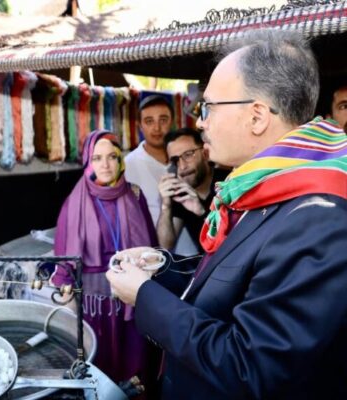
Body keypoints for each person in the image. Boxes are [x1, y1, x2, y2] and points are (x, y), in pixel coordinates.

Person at [106, 29, 347, 399]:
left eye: (208, 107)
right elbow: (239, 277)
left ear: (256, 117)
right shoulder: (271, 185)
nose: (199, 122)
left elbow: (249, 368)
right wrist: (162, 268)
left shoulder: (320, 214)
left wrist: (145, 296)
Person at [52, 129, 159, 393]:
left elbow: (151, 250)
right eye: (97, 157)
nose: (105, 164)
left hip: (131, 298)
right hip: (93, 306)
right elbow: (65, 264)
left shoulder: (134, 194)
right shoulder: (74, 202)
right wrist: (71, 315)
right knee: (99, 370)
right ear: (88, 161)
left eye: (112, 156)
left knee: (135, 368)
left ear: (121, 160)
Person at [157, 128, 228, 255]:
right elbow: (166, 245)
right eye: (175, 160)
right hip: (205, 266)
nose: (182, 166)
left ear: (205, 153)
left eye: (188, 155)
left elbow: (235, 242)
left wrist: (201, 211)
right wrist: (166, 206)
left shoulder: (228, 182)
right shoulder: (180, 192)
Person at [124, 94, 173, 225]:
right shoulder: (127, 165)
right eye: (149, 121)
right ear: (140, 125)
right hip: (149, 243)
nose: (157, 128)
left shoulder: (185, 158)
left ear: (172, 121)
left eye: (163, 120)